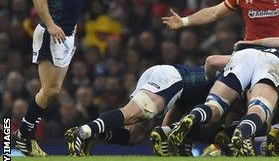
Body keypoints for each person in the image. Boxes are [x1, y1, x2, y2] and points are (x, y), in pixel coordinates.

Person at [15, 0, 101, 157]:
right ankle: (24, 136)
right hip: (51, 35)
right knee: (50, 89)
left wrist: (71, 25)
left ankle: (25, 135)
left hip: (67, 35)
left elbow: (69, 0)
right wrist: (52, 24)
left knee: (54, 91)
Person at [64, 63, 216, 156]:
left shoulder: (198, 95)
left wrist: (164, 135)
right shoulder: (226, 83)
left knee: (134, 136)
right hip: (172, 78)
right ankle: (82, 132)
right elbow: (212, 60)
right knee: (131, 113)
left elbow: (169, 121)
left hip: (167, 78)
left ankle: (94, 135)